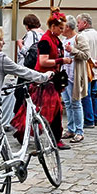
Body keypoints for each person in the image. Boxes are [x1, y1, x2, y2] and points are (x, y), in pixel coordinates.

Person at [34, 8, 73, 150]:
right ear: (53, 26)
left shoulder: (55, 39)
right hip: (45, 80)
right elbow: (43, 61)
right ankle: (55, 138)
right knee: (53, 109)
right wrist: (61, 60)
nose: (62, 30)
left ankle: (55, 137)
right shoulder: (45, 40)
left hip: (53, 79)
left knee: (56, 109)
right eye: (60, 28)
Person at [60, 15, 89, 143]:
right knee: (67, 103)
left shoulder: (79, 38)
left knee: (76, 103)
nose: (61, 29)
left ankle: (79, 131)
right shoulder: (63, 39)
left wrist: (73, 50)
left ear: (68, 27)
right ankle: (71, 129)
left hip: (74, 76)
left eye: (62, 27)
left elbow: (86, 55)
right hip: (64, 76)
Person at [76, 13, 97, 128]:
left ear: (85, 23)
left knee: (86, 95)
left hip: (87, 69)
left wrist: (93, 61)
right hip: (96, 70)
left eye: (78, 23)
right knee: (94, 95)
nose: (77, 25)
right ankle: (96, 118)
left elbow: (83, 53)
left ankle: (89, 120)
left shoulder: (82, 36)